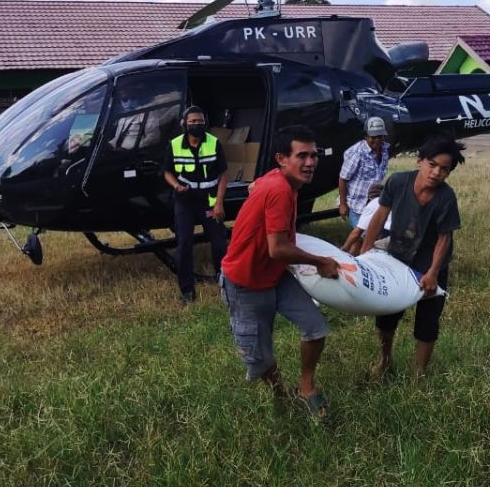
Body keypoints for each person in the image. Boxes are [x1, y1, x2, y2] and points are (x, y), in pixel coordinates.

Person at [219, 125, 340, 417]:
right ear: (281, 159)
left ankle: (306, 387)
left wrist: (255, 188)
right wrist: (321, 261)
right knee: (260, 358)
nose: (310, 163)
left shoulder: (279, 182)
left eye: (314, 155)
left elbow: (256, 185)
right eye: (302, 156)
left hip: (274, 276)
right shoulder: (280, 190)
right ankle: (279, 395)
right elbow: (278, 248)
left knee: (316, 327)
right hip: (245, 283)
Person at [360, 134, 466, 379]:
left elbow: (444, 238)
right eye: (433, 165)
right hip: (397, 258)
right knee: (387, 315)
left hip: (430, 264)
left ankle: (418, 375)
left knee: (427, 323)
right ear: (420, 161)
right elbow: (379, 216)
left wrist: (432, 273)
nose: (436, 172)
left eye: (444, 169)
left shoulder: (445, 197)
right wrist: (364, 252)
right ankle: (384, 360)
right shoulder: (397, 182)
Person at [163, 106, 229, 304]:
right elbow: (167, 171)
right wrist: (176, 186)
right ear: (185, 124)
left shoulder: (214, 143)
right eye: (192, 121)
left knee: (219, 242)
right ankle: (187, 291)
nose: (196, 124)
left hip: (208, 201)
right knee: (184, 244)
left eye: (199, 121)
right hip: (185, 202)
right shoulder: (175, 145)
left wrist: (219, 203)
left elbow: (223, 174)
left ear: (204, 122)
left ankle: (224, 282)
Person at [338, 117, 390, 227]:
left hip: (374, 203)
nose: (377, 140)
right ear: (366, 136)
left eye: (380, 136)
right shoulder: (357, 153)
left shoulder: (385, 150)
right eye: (373, 137)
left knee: (374, 235)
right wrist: (343, 204)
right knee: (360, 236)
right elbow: (343, 178)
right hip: (357, 205)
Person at [340, 182, 390, 254]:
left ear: (369, 197)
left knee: (366, 247)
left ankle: (353, 259)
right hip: (403, 234)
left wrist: (343, 250)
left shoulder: (374, 203)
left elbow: (356, 233)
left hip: (392, 238)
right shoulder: (391, 201)